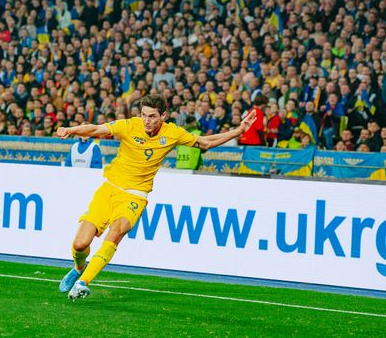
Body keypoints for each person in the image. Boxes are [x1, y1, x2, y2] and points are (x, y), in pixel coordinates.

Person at [56, 95, 256, 300]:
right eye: (144, 115)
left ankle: (83, 282)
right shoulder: (129, 125)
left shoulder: (173, 133)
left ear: (164, 116)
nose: (147, 121)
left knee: (116, 232)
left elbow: (205, 143)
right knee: (80, 244)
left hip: (136, 195)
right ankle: (79, 268)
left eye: (152, 116)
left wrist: (239, 130)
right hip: (109, 189)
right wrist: (71, 130)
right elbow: (97, 129)